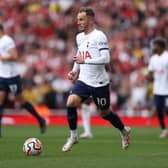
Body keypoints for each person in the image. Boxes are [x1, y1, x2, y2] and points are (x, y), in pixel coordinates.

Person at [62, 7, 131, 152]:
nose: (78, 22)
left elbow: (106, 59)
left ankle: (124, 130)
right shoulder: (79, 37)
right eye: (78, 19)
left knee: (105, 113)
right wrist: (74, 71)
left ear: (91, 19)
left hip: (99, 82)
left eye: (81, 19)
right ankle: (73, 136)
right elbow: (80, 54)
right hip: (83, 80)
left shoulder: (99, 36)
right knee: (71, 103)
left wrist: (84, 62)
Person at [0, 24, 46, 137]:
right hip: (2, 76)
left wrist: (2, 58)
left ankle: (40, 119)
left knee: (20, 101)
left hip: (12, 77)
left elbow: (14, 56)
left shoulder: (7, 40)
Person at [147, 37, 168, 138]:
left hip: (167, 90)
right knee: (159, 111)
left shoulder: (167, 57)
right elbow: (150, 73)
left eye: (155, 45)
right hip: (157, 90)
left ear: (161, 47)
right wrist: (148, 77)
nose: (153, 47)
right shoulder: (153, 59)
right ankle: (164, 130)